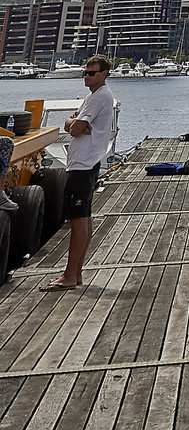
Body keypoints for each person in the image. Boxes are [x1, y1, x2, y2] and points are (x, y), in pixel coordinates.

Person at [41, 55, 116, 291]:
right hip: (87, 162)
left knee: (78, 219)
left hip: (83, 165)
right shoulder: (93, 97)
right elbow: (76, 125)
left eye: (92, 73)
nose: (87, 76)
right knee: (83, 218)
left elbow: (74, 130)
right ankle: (76, 273)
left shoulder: (99, 97)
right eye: (85, 72)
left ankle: (69, 275)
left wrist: (72, 123)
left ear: (104, 74)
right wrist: (73, 122)